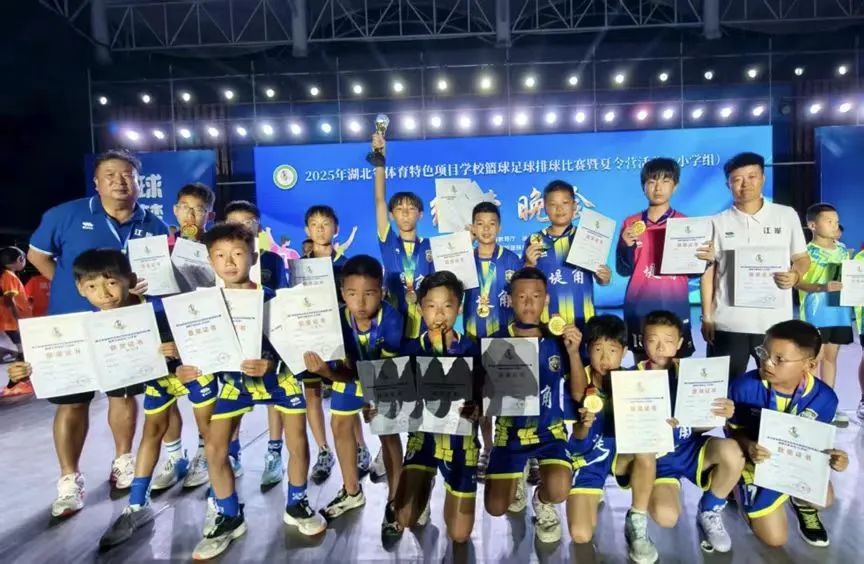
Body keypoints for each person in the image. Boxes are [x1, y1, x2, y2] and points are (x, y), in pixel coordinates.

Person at [26, 149, 168, 516]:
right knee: (72, 402)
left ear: (138, 182)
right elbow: (37, 256)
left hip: (124, 327)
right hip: (72, 326)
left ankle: (123, 461)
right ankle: (69, 478)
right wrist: (71, 289)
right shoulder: (65, 215)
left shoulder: (154, 225)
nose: (120, 181)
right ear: (96, 182)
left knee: (124, 396)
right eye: (110, 175)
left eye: (127, 175)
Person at [191, 223, 326, 559]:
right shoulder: (205, 306)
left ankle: (297, 503)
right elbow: (199, 350)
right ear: (210, 260)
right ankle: (229, 515)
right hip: (234, 384)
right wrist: (185, 366)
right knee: (214, 449)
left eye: (238, 254)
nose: (229, 262)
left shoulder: (273, 299)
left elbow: (294, 345)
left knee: (298, 442)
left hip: (280, 381)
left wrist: (273, 363)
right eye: (220, 255)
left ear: (253, 257)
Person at [85, 249, 215, 548]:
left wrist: (180, 348)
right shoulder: (96, 324)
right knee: (151, 430)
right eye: (92, 286)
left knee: (211, 430)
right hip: (160, 379)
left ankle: (221, 497)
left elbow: (202, 334)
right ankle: (136, 504)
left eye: (111, 283)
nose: (104, 294)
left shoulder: (161, 307)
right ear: (81, 289)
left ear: (130, 280)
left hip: (194, 372)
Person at [305, 255, 405, 540]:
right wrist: (326, 370)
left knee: (387, 433)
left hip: (383, 379)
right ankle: (351, 492)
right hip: (348, 376)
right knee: (339, 425)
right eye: (352, 294)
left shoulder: (393, 320)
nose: (360, 302)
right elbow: (343, 369)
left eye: (369, 294)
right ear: (342, 292)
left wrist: (328, 373)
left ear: (381, 292)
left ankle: (395, 499)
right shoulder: (337, 319)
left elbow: (380, 374)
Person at [727, 320, 848, 548]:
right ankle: (735, 485)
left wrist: (835, 459)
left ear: (809, 365)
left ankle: (802, 505)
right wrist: (749, 446)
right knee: (775, 540)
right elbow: (732, 432)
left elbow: (818, 445)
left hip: (793, 464)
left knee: (824, 498)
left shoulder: (824, 399)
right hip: (754, 462)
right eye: (764, 353)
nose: (767, 362)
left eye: (779, 359)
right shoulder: (744, 387)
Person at [523, 179, 611, 483]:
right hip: (546, 331)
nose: (559, 209)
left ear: (575, 207)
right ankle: (540, 453)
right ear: (543, 208)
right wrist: (528, 262)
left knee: (582, 391)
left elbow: (602, 278)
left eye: (565, 203)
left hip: (583, 329)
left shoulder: (588, 237)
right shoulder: (534, 239)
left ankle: (582, 449)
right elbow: (526, 282)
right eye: (553, 204)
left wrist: (604, 276)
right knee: (544, 390)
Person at [636, 311, 744, 553]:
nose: (661, 347)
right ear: (643, 341)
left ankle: (709, 510)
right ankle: (652, 498)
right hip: (658, 460)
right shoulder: (631, 378)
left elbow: (701, 425)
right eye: (653, 340)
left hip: (691, 448)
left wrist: (722, 413)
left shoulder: (695, 374)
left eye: (668, 340)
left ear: (680, 343)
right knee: (666, 516)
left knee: (732, 452)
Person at [483, 267, 576, 543]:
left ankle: (541, 500)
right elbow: (484, 397)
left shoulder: (558, 340)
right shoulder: (496, 341)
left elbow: (578, 391)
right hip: (510, 433)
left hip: (549, 431)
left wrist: (572, 352)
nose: (528, 303)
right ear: (510, 300)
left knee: (559, 490)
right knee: (495, 507)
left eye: (536, 296)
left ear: (546, 299)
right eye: (521, 296)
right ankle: (517, 472)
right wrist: (487, 444)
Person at [387, 271, 481, 544]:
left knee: (459, 535)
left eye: (447, 306)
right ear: (420, 309)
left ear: (459, 308)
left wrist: (478, 408)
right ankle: (423, 484)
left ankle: (440, 488)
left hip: (461, 443)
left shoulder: (474, 350)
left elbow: (487, 397)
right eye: (431, 306)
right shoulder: (408, 350)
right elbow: (394, 401)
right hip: (423, 439)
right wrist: (378, 409)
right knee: (404, 517)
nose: (439, 314)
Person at [701, 152, 810, 379]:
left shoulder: (786, 215)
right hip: (728, 322)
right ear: (728, 184)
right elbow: (709, 272)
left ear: (763, 178)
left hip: (775, 324)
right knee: (725, 386)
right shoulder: (716, 222)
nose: (745, 184)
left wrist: (796, 275)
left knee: (777, 384)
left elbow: (801, 258)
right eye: (737, 179)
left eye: (752, 176)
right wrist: (707, 316)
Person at [566, 314, 659, 564]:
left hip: (622, 458)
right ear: (588, 349)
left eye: (613, 350)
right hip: (589, 460)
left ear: (625, 352)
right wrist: (583, 425)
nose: (605, 358)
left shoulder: (635, 383)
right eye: (598, 349)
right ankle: (587, 492)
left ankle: (637, 521)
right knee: (581, 534)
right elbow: (575, 440)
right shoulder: (578, 380)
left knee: (646, 449)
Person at [149, 182, 220, 493]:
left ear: (210, 215)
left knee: (204, 398)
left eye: (199, 209)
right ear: (175, 211)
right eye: (185, 207)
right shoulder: (157, 249)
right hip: (162, 329)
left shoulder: (217, 247)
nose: (191, 214)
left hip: (200, 329)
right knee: (164, 398)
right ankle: (175, 457)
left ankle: (206, 454)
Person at [616, 158, 713, 361]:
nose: (658, 187)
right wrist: (626, 245)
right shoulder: (631, 223)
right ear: (643, 186)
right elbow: (623, 270)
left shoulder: (685, 224)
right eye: (652, 181)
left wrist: (706, 259)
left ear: (675, 186)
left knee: (677, 363)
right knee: (643, 364)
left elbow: (694, 272)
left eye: (665, 181)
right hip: (639, 306)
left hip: (675, 305)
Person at [223, 200, 290, 487]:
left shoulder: (272, 260)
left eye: (248, 222)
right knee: (233, 397)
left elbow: (282, 298)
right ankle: (232, 453)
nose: (241, 227)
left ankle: (274, 452)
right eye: (234, 223)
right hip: (233, 344)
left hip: (267, 342)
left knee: (274, 398)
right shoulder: (220, 261)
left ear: (258, 227)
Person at [299, 204, 361, 484]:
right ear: (307, 230)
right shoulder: (298, 268)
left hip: (341, 339)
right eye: (314, 224)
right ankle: (324, 450)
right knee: (312, 395)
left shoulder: (348, 266)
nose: (320, 229)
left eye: (325, 224)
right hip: (310, 338)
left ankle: (359, 447)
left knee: (345, 392)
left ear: (336, 229)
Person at [463, 201, 522, 479]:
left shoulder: (511, 260)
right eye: (480, 224)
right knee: (481, 398)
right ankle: (487, 448)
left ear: (499, 227)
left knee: (507, 398)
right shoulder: (464, 260)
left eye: (491, 224)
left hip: (504, 339)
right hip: (472, 339)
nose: (486, 229)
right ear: (473, 227)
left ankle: (512, 447)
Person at [371, 133, 435, 342]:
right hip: (394, 327)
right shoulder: (388, 241)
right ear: (391, 215)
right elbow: (380, 200)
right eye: (399, 209)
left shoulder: (431, 246)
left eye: (411, 209)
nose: (405, 213)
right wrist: (380, 162)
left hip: (427, 328)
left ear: (421, 214)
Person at [795, 203, 852, 425]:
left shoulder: (843, 250)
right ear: (812, 225)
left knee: (830, 359)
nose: (834, 225)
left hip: (839, 313)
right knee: (813, 361)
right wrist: (822, 287)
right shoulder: (805, 253)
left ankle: (827, 406)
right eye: (829, 221)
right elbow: (797, 282)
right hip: (815, 314)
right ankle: (806, 406)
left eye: (836, 221)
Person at [0, 246, 33, 395]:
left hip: (9, 321)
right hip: (11, 322)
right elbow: (9, 300)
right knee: (22, 352)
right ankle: (14, 385)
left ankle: (16, 383)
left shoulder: (5, 275)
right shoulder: (9, 276)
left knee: (21, 352)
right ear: (20, 259)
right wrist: (18, 319)